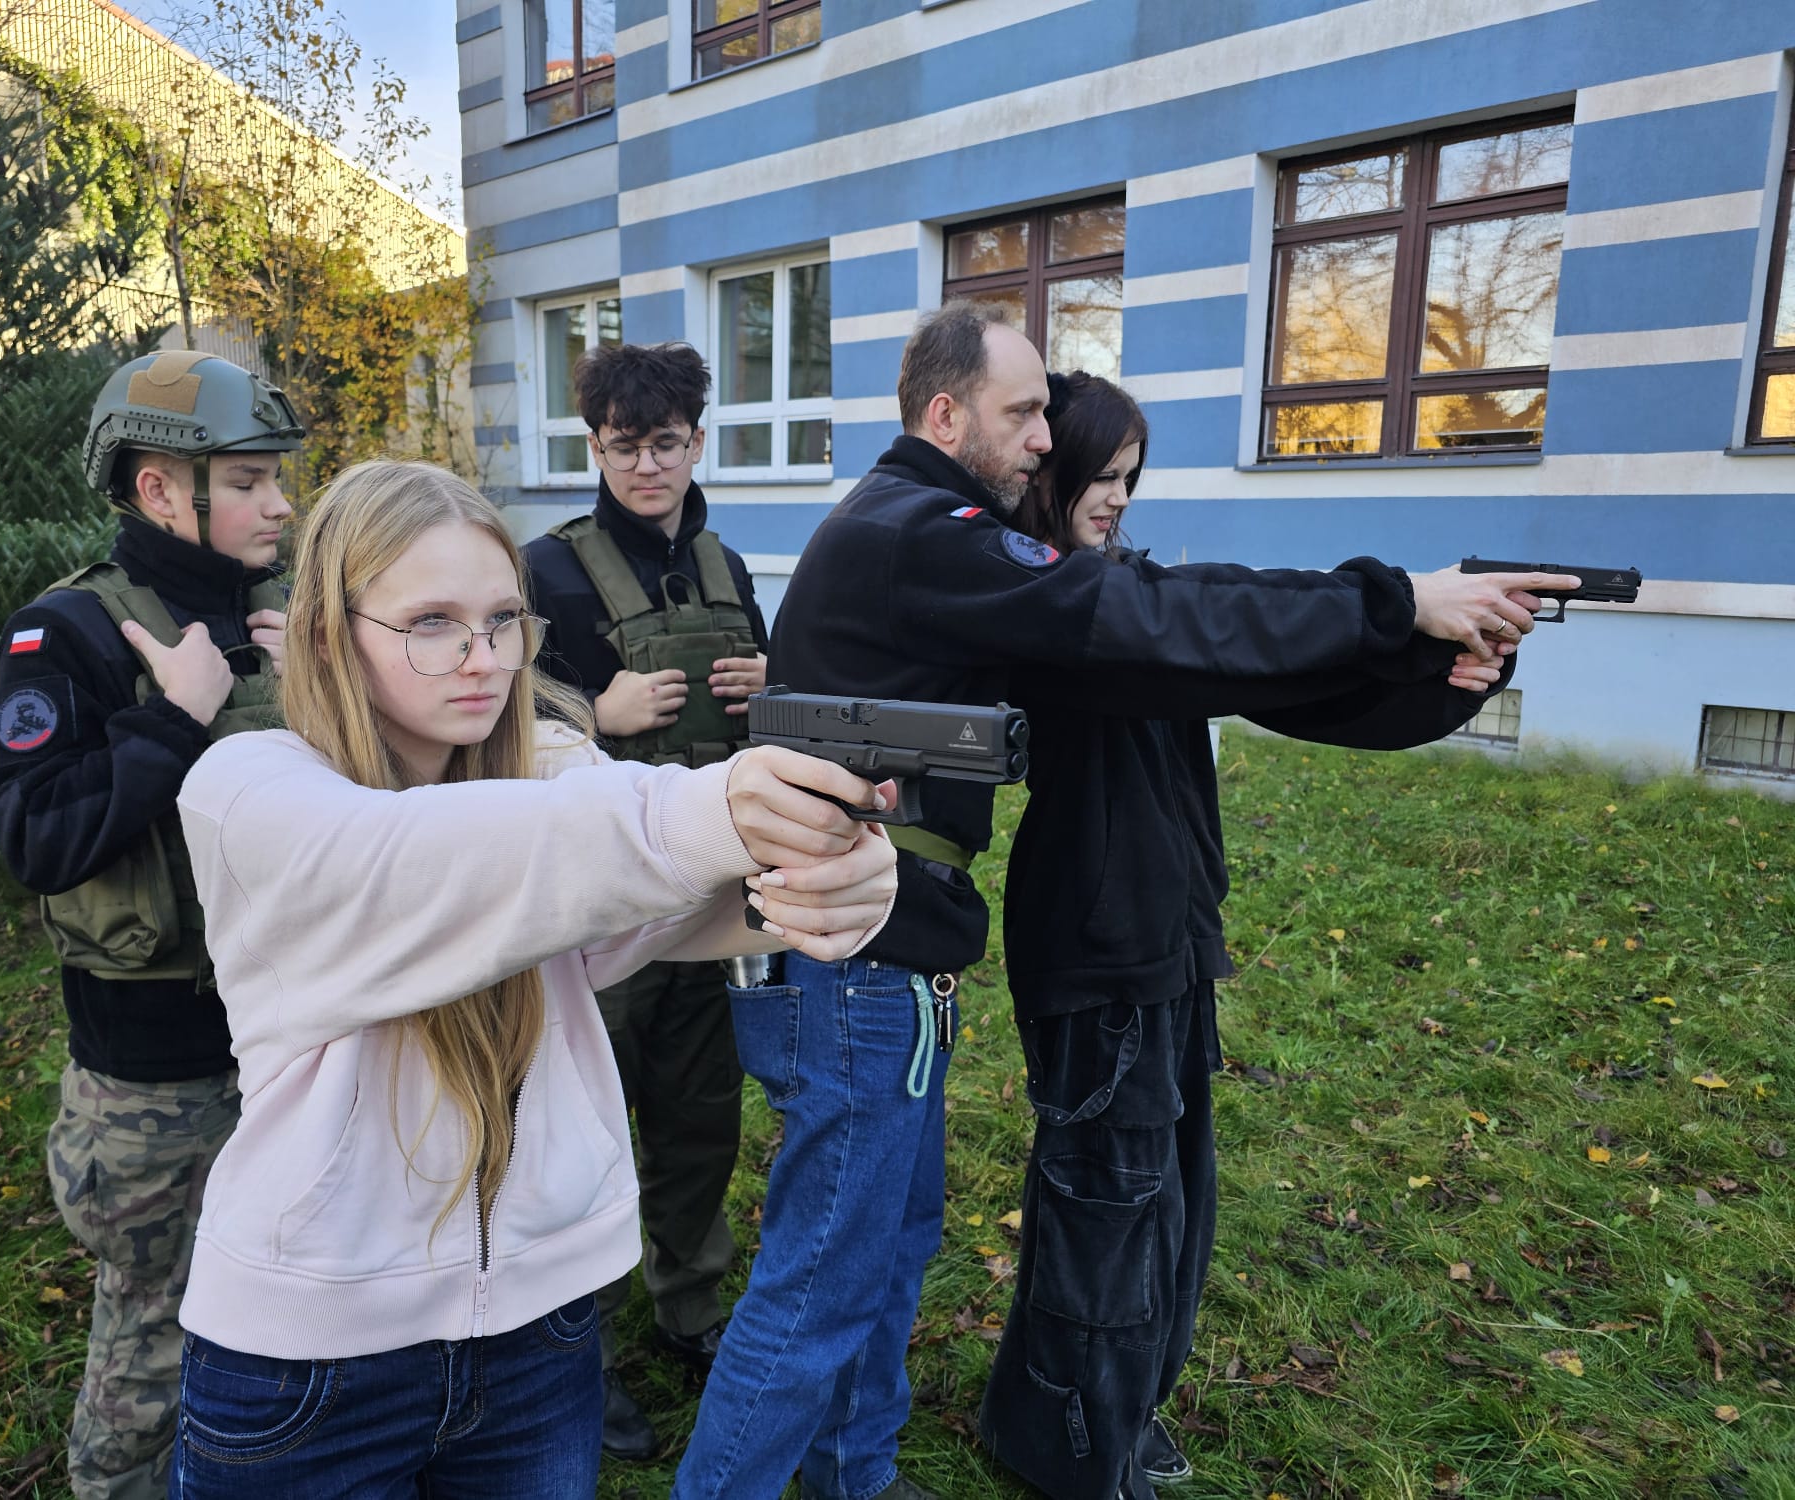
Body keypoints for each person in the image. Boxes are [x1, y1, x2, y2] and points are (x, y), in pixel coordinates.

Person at [672, 300, 1574, 1500]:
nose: (1048, 437)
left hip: (891, 953)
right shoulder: (924, 530)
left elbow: (1193, 628)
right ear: (946, 414)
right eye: (1026, 410)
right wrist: (1392, 599)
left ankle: (858, 1477)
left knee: (888, 1254)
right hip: (851, 963)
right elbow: (1148, 615)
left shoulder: (920, 534)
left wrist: (1414, 652)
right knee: (819, 1287)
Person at [163, 459, 898, 1497]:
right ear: (331, 633)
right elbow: (448, 862)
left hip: (538, 1338)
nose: (480, 658)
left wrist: (820, 878)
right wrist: (717, 812)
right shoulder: (248, 791)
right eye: (430, 622)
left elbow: (639, 896)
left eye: (503, 620)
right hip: (307, 1361)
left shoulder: (546, 771)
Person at [983, 371, 1523, 1500]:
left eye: (1133, 480)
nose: (1119, 500)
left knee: (1154, 1202)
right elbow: (1231, 626)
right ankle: (1077, 1449)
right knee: (1107, 1212)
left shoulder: (1131, 599)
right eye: (1102, 477)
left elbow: (1296, 686)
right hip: (1097, 960)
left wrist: (1445, 680)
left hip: (1165, 951)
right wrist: (1396, 607)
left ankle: (1089, 1415)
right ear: (1053, 470)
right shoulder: (1060, 612)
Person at [0, 350, 304, 1500]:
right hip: (155, 1085)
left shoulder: (287, 619)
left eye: (278, 480)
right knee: (156, 1347)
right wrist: (172, 718)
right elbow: (37, 840)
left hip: (300, 1045)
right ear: (162, 488)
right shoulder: (65, 633)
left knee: (288, 1321)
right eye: (253, 479)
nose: (281, 503)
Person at [522, 341, 768, 1457]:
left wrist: (775, 685)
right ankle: (577, 1351)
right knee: (574, 1136)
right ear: (596, 447)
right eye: (624, 445)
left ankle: (689, 1309)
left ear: (694, 443)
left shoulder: (726, 568)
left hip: (709, 904)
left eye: (664, 443)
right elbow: (485, 717)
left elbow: (774, 732)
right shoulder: (546, 572)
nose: (645, 465)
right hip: (593, 915)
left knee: (697, 1120)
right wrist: (592, 711)